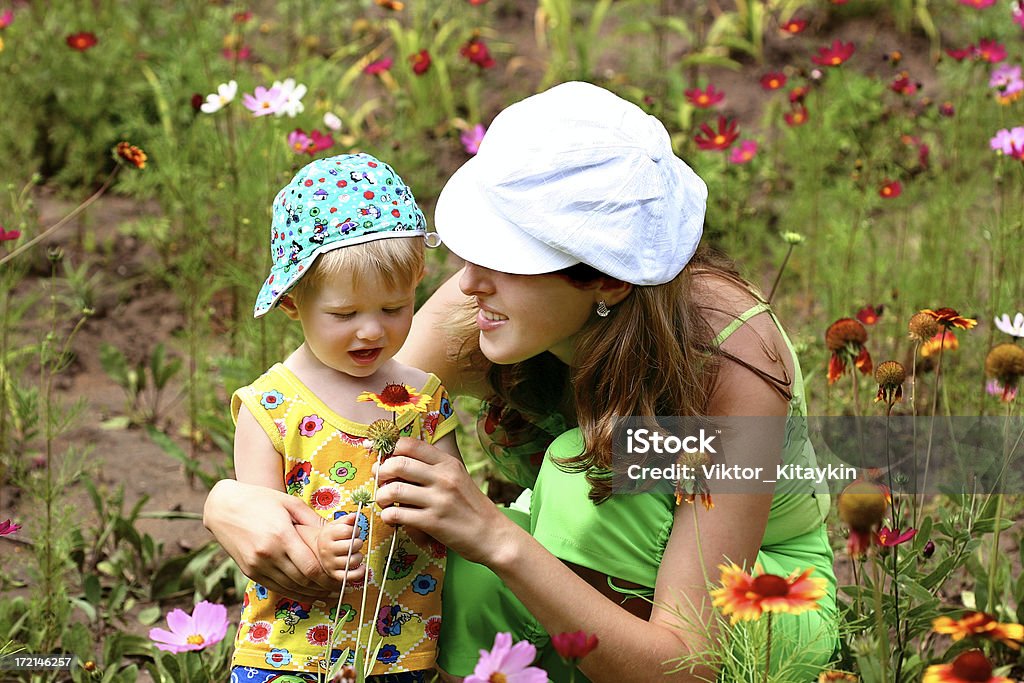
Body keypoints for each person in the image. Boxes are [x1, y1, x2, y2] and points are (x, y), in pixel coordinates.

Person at [206, 83, 839, 682]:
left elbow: (686, 663)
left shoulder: (732, 364)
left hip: (759, 599)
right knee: (457, 572)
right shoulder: (491, 298)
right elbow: (330, 400)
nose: (468, 281)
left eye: (510, 256)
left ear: (610, 280)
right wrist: (231, 501)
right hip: (578, 577)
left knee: (567, 483)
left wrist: (496, 537)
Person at [227, 153, 461, 683]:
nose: (371, 332)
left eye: (394, 308)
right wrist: (314, 546)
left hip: (399, 645)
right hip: (290, 649)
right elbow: (261, 531)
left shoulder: (424, 398)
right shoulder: (272, 405)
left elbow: (454, 503)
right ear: (292, 302)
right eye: (344, 314)